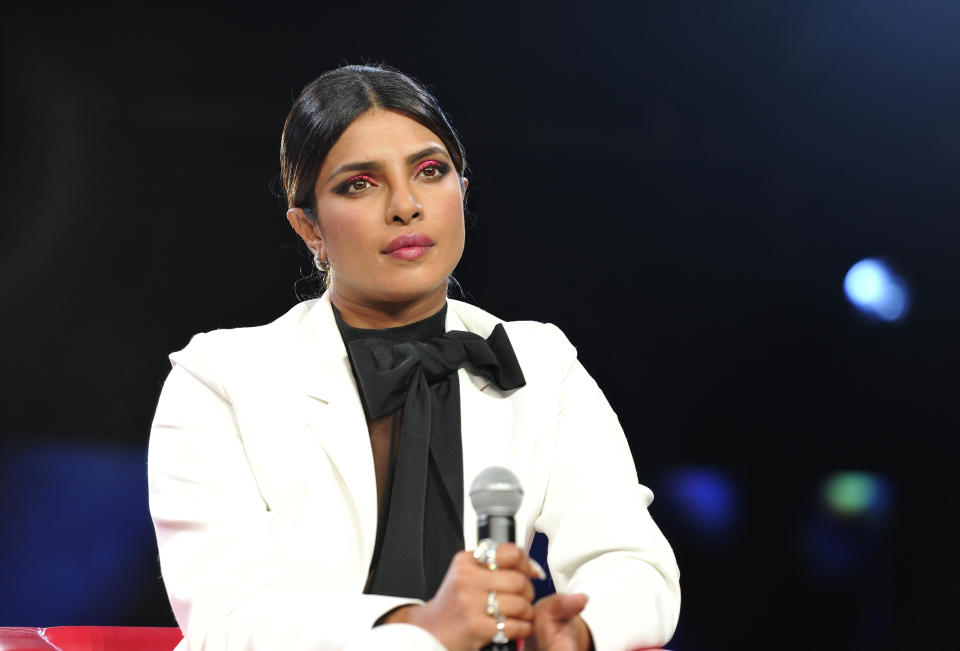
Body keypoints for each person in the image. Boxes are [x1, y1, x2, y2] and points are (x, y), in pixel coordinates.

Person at [148, 64, 680, 651]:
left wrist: (578, 631)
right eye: (360, 184)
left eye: (430, 172)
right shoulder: (220, 378)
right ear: (309, 228)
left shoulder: (539, 360)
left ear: (462, 193)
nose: (405, 205)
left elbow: (631, 561)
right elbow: (227, 621)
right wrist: (419, 629)